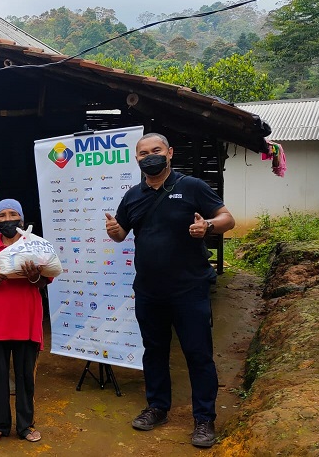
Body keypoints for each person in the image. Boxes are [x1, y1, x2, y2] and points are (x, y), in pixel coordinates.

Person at [105, 132, 235, 449]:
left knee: (198, 355)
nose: (150, 156)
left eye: (156, 150)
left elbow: (227, 218)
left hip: (189, 290)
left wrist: (208, 226)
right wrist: (115, 230)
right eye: (143, 152)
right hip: (149, 292)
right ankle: (158, 408)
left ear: (169, 153)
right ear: (136, 159)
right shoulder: (133, 196)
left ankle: (204, 420)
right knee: (155, 352)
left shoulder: (191, 187)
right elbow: (122, 233)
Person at [0, 199, 47, 445]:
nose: (8, 219)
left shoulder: (35, 245)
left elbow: (44, 281)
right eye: (3, 215)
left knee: (26, 376)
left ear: (22, 219)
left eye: (13, 213)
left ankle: (26, 425)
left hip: (27, 320)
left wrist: (35, 275)